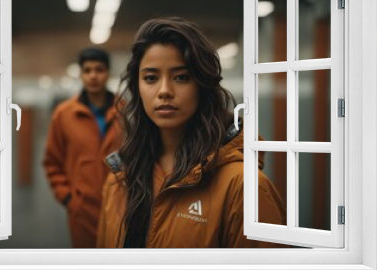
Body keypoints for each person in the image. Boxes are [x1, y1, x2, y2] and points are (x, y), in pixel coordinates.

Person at [96, 17, 286, 248]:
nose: (164, 90)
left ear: (202, 86)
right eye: (151, 78)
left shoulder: (244, 187)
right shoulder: (120, 177)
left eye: (181, 77)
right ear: (138, 88)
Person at [43, 47, 123, 248]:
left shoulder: (126, 111)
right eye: (87, 70)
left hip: (121, 205)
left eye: (99, 70)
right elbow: (52, 161)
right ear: (80, 74)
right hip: (82, 209)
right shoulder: (64, 114)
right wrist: (68, 198)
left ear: (108, 73)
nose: (93, 76)